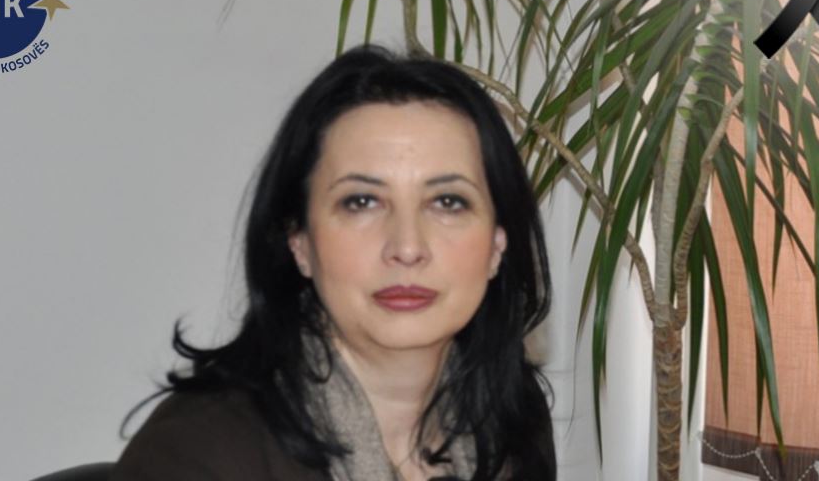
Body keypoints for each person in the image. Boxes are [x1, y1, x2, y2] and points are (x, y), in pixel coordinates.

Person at [111, 44, 557, 480]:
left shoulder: (514, 423)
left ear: (498, 244)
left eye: (447, 201)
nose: (407, 247)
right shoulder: (198, 452)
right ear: (299, 241)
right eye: (361, 201)